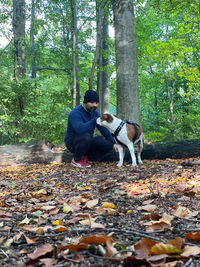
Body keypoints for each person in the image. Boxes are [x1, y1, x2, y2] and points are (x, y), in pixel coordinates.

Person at [64, 90, 118, 168]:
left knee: (106, 143)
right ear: (85, 102)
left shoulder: (95, 113)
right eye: (92, 102)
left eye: (96, 103)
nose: (94, 105)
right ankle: (76, 160)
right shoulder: (75, 113)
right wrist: (94, 121)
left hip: (87, 141)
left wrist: (113, 142)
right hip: (74, 142)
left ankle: (86, 158)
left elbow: (103, 129)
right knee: (86, 137)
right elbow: (79, 129)